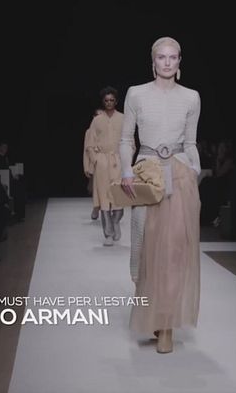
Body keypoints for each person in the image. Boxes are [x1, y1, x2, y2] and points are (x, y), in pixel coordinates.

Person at [120, 37, 201, 353]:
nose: (167, 62)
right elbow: (126, 139)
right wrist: (126, 170)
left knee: (174, 251)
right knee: (143, 250)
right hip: (146, 172)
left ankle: (165, 325)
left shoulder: (191, 97)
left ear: (180, 61)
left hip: (179, 174)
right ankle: (152, 310)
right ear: (152, 61)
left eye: (173, 57)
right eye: (161, 57)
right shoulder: (136, 94)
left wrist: (195, 170)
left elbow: (191, 142)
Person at [88, 87, 125, 245]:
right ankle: (108, 234)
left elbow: (129, 141)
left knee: (118, 195)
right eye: (106, 100)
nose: (109, 103)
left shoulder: (123, 118)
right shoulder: (97, 120)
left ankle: (116, 221)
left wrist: (127, 159)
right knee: (103, 198)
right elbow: (90, 143)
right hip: (102, 162)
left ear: (116, 101)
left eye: (112, 100)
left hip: (118, 160)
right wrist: (96, 160)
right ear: (103, 102)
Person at [84, 108, 104, 220]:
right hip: (94, 162)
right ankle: (96, 208)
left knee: (107, 187)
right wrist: (86, 166)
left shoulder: (108, 130)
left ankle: (107, 209)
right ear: (94, 117)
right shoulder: (89, 132)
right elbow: (86, 150)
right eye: (97, 116)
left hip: (107, 162)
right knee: (94, 188)